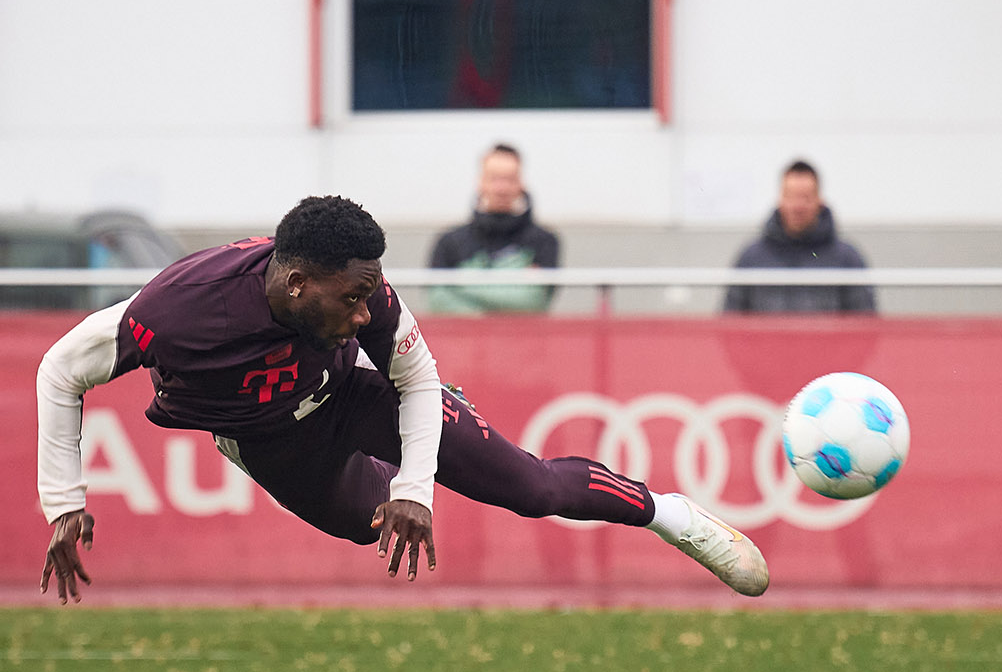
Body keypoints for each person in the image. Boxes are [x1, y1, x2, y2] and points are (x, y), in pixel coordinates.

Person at [37, 196, 767, 602]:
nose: (367, 314)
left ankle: (670, 515)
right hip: (269, 442)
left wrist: (420, 485)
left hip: (358, 395)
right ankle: (410, 472)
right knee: (366, 527)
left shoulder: (369, 296)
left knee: (529, 487)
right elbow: (60, 370)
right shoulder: (177, 310)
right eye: (352, 299)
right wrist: (65, 500)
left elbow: (414, 378)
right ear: (298, 286)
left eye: (370, 295)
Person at [722, 160, 877, 314]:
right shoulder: (751, 259)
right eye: (791, 197)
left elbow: (865, 324)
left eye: (806, 197)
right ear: (780, 200)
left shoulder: (847, 259)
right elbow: (730, 323)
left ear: (819, 201)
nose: (798, 206)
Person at [428, 144, 561, 313]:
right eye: (494, 178)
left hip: (524, 339)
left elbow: (533, 301)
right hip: (465, 339)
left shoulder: (544, 242)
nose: (502, 188)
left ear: (521, 182)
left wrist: (460, 282)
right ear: (480, 182)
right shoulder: (449, 242)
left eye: (509, 179)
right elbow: (438, 301)